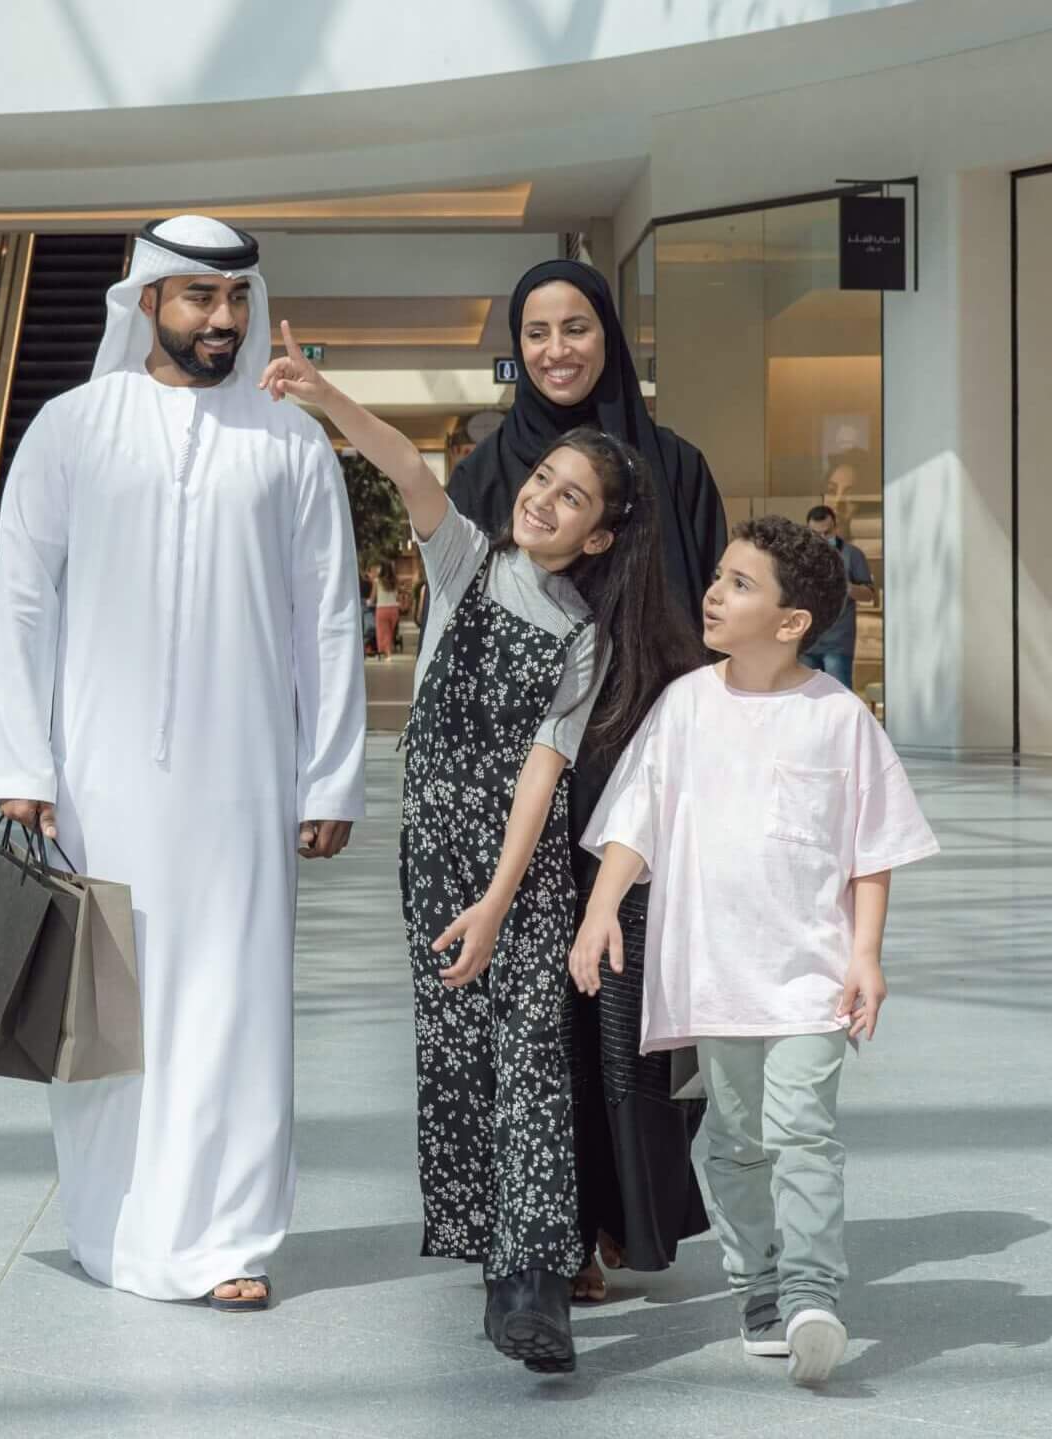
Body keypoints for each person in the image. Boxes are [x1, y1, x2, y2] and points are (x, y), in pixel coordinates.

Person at [259, 324, 695, 1372]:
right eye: (542, 476)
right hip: (433, 863)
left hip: (519, 873)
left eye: (571, 497)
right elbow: (405, 466)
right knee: (459, 1059)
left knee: (532, 1064)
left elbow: (544, 774)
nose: (543, 496)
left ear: (596, 539)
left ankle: (529, 1284)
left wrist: (501, 899)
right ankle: (497, 1250)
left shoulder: (579, 632)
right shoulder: (460, 560)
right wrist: (324, 394)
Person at [0, 216, 367, 1313]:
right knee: (108, 1006)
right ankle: (112, 1227)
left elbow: (328, 618)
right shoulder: (71, 426)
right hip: (98, 778)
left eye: (235, 299)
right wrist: (26, 760)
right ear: (147, 300)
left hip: (245, 773)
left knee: (236, 1004)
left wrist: (328, 772)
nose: (222, 320)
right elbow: (20, 599)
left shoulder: (286, 437)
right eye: (198, 298)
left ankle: (226, 1238)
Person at [570, 514, 938, 1386]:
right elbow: (637, 819)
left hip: (810, 976)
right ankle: (761, 1287)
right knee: (736, 1144)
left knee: (803, 1133)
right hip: (715, 975)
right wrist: (600, 910)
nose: (714, 591)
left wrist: (868, 953)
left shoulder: (839, 718)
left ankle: (814, 1294)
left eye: (740, 583)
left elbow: (871, 848)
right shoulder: (686, 704)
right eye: (720, 575)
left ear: (790, 622)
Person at [447, 259, 729, 1302]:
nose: (556, 349)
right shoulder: (487, 473)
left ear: (608, 335)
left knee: (627, 1000)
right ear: (513, 347)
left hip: (640, 769)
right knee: (536, 1014)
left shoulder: (673, 466)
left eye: (575, 327)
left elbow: (708, 627)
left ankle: (626, 1207)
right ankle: (552, 1221)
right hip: (522, 774)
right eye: (534, 331)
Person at [801, 504, 878, 690]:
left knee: (838, 695)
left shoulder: (852, 555)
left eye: (826, 533)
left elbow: (869, 595)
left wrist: (845, 587)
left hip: (837, 643)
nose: (821, 539)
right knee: (805, 697)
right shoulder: (802, 556)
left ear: (835, 528)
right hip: (806, 641)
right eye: (815, 534)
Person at [373, 560, 402, 657]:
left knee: (383, 632)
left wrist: (369, 602)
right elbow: (397, 596)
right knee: (390, 631)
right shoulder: (395, 581)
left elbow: (373, 597)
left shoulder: (377, 581)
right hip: (394, 609)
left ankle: (387, 653)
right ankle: (389, 649)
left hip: (381, 609)